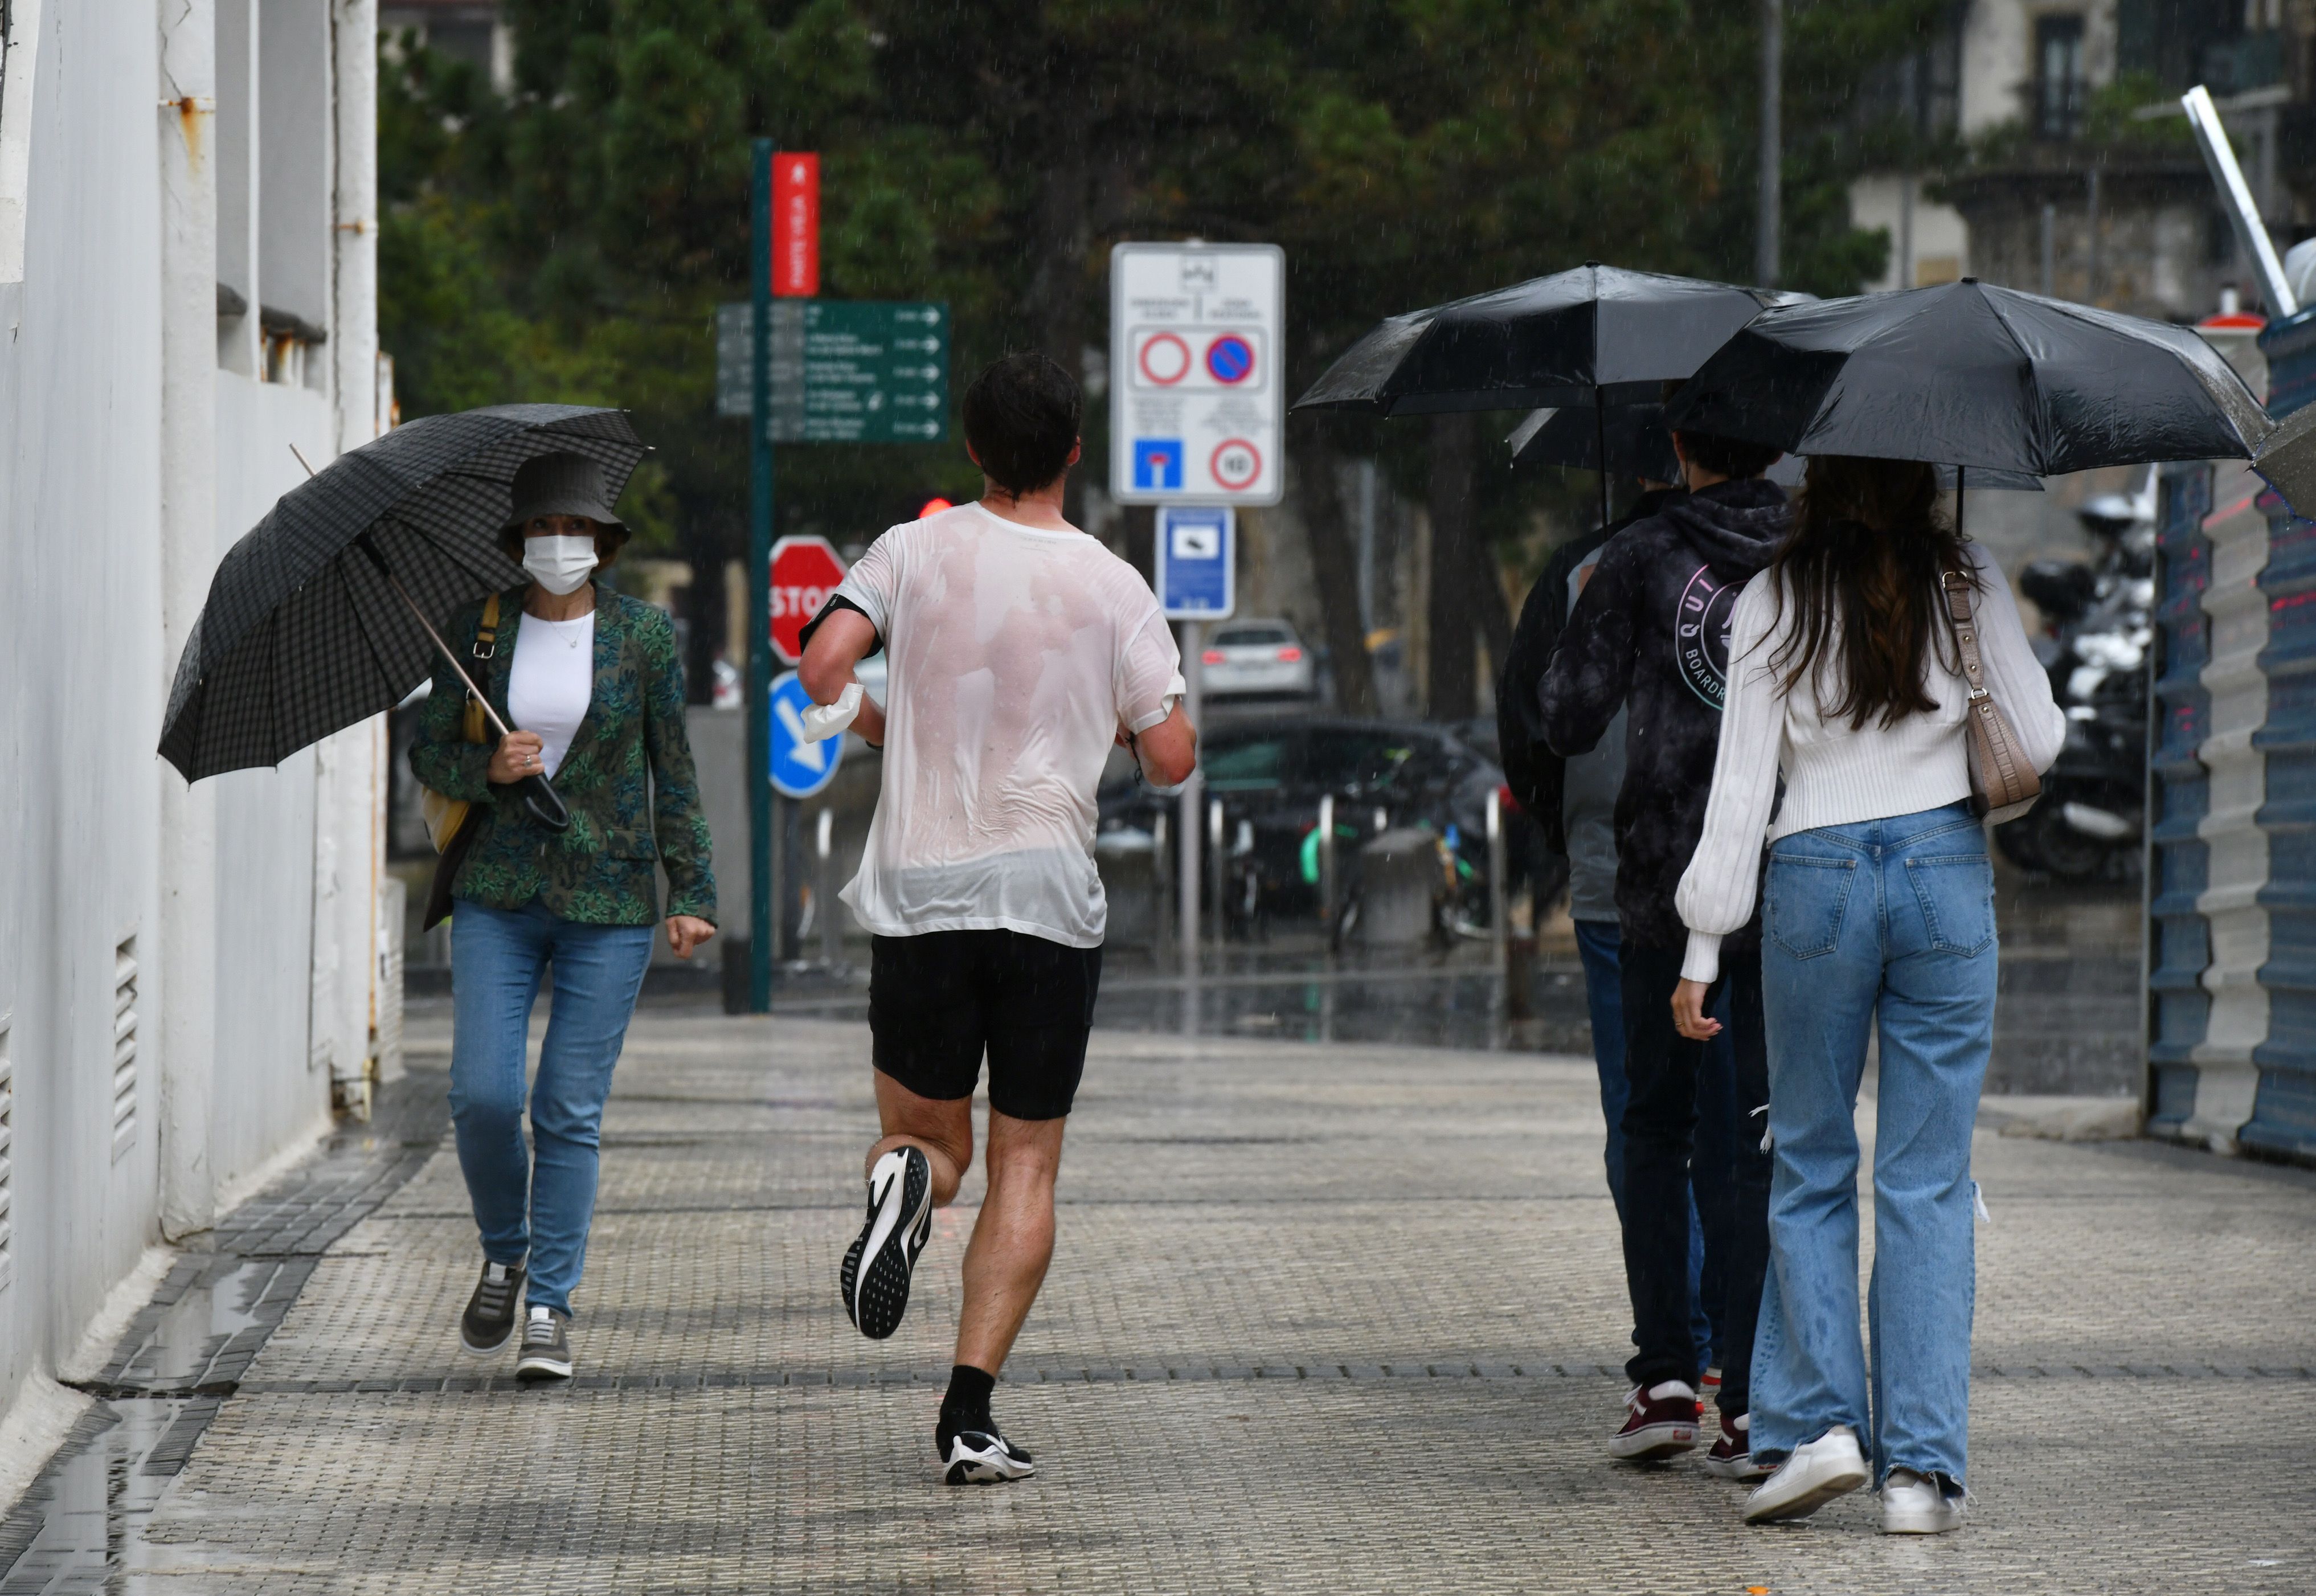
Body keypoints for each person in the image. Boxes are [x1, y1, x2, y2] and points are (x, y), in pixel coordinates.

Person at [796, 352, 1197, 1485]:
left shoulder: (910, 550)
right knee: (1025, 1162)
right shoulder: (1113, 584)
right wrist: (1114, 727)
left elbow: (821, 664)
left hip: (923, 892)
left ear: (972, 448)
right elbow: (1170, 756)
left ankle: (905, 1183)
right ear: (1073, 450)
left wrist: (876, 718)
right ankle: (968, 1415)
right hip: (1045, 904)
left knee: (928, 1138)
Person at [1673, 456, 2061, 1533]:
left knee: (1807, 1161)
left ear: (1820, 476)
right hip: (1944, 869)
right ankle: (1918, 1479)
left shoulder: (1774, 595)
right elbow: (2038, 739)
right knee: (1927, 1179)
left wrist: (1702, 943)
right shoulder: (1964, 572)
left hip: (1815, 873)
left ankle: (1823, 1429)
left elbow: (1740, 786)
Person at [409, 452, 717, 1382]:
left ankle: (548, 1304)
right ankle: (505, 1251)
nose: (559, 543)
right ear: (519, 539)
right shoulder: (476, 631)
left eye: (575, 528)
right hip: (496, 892)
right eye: (544, 528)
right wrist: (486, 769)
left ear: (602, 542)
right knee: (482, 1096)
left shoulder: (642, 635)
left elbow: (673, 767)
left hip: (610, 900)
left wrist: (692, 892)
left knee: (566, 1108)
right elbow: (427, 752)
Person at [1537, 429, 1785, 1477]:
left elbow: (1565, 714)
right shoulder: (1810, 550)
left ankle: (1668, 1378)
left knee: (1655, 1127)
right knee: (1758, 1135)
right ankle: (1753, 1393)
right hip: (1786, 878)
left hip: (1660, 880)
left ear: (1678, 444)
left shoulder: (1638, 555)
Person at [1500, 473, 1734, 1393]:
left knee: (1642, 1114)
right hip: (1750, 876)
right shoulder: (1774, 557)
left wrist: (1568, 834)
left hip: (1617, 881)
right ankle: (1733, 1341)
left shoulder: (1583, 570)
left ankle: (1677, 1343)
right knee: (1736, 1112)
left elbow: (1537, 722)